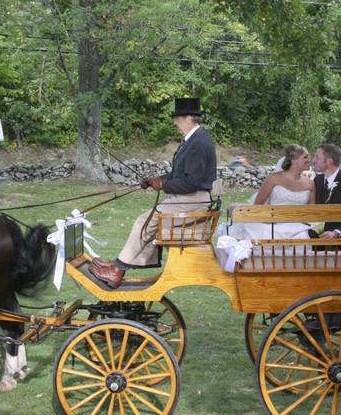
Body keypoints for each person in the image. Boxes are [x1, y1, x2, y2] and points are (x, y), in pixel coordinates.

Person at [90, 97, 217, 288]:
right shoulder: (192, 140)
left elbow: (192, 182)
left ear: (189, 119)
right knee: (147, 219)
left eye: (178, 119)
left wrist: (163, 185)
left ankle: (117, 270)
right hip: (190, 198)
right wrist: (155, 181)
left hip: (194, 199)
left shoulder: (198, 143)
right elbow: (178, 174)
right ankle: (119, 264)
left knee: (145, 220)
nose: (176, 123)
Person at [226, 144, 316, 241]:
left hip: (299, 228)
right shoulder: (274, 179)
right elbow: (258, 205)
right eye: (305, 157)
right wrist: (271, 220)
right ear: (294, 160)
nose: (309, 159)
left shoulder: (310, 184)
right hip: (273, 226)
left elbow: (312, 212)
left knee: (304, 235)